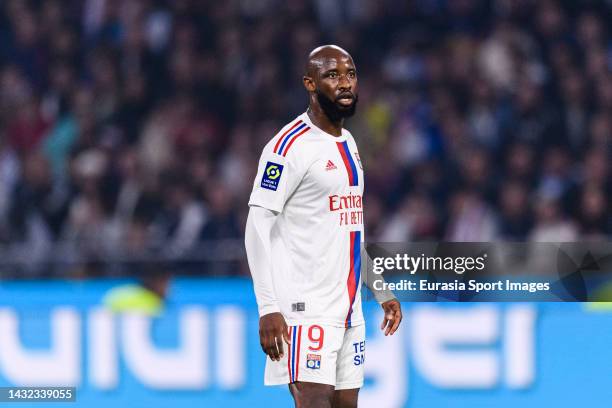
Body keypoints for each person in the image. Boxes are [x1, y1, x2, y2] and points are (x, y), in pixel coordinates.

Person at [245, 45, 402, 408]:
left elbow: (349, 230)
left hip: (348, 310)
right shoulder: (288, 147)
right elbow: (256, 226)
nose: (345, 83)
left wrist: (380, 290)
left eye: (350, 74)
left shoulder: (348, 143)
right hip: (304, 308)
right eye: (332, 75)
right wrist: (268, 307)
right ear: (310, 84)